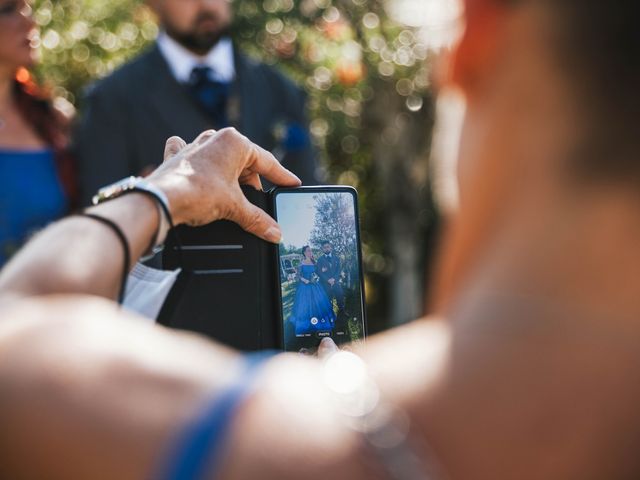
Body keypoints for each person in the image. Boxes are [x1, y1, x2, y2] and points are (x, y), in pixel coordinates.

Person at [2, 0, 640, 478]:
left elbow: (18, 322)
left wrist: (163, 193)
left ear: (475, 38)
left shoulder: (274, 442)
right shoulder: (115, 98)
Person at [73, 0, 319, 206]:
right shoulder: (111, 100)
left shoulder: (283, 91)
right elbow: (104, 218)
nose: (205, 3)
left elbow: (309, 198)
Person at [0, 0, 76, 266]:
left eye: (27, 8)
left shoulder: (53, 120)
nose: (30, 22)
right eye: (8, 9)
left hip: (51, 297)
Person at [289, 245, 336, 337]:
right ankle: (307, 323)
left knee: (319, 303)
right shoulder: (301, 263)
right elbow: (297, 276)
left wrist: (322, 271)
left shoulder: (315, 262)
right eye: (308, 251)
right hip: (305, 286)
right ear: (304, 253)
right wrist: (304, 280)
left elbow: (318, 272)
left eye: (311, 251)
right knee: (305, 304)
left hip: (315, 285)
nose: (310, 252)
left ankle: (321, 321)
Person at [316, 241, 346, 322]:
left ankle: (342, 311)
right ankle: (330, 314)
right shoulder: (320, 260)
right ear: (322, 249)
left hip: (335, 282)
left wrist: (334, 279)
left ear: (331, 247)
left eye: (328, 246)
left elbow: (338, 270)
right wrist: (328, 280)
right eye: (325, 247)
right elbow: (319, 272)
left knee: (340, 295)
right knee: (328, 299)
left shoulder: (336, 258)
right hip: (325, 284)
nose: (327, 248)